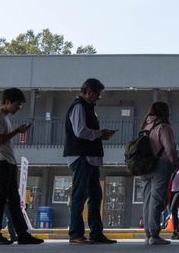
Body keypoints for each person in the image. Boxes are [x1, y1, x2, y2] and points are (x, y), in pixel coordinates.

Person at [0, 88, 43, 245]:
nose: (19, 108)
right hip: (0, 161)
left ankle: (22, 234)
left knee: (13, 199)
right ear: (8, 101)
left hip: (6, 161)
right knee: (0, 199)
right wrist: (17, 131)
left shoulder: (3, 117)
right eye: (18, 104)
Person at [64, 78, 116, 245]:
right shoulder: (79, 106)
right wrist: (100, 134)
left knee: (95, 195)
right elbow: (80, 131)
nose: (98, 98)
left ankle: (96, 232)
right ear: (88, 91)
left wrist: (100, 134)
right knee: (80, 195)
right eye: (97, 94)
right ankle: (76, 233)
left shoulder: (88, 108)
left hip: (89, 157)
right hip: (81, 156)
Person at [141, 101, 179, 245]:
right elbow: (169, 149)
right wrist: (176, 161)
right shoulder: (164, 127)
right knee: (157, 200)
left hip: (146, 166)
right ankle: (154, 234)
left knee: (147, 200)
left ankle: (148, 233)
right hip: (161, 166)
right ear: (164, 112)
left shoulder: (146, 126)